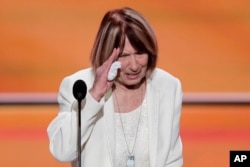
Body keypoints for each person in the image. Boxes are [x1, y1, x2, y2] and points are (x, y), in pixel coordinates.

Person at [47, 7, 183, 167]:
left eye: (140, 53)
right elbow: (63, 151)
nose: (134, 65)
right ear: (106, 53)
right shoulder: (78, 86)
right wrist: (94, 95)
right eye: (124, 56)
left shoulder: (168, 87)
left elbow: (172, 159)